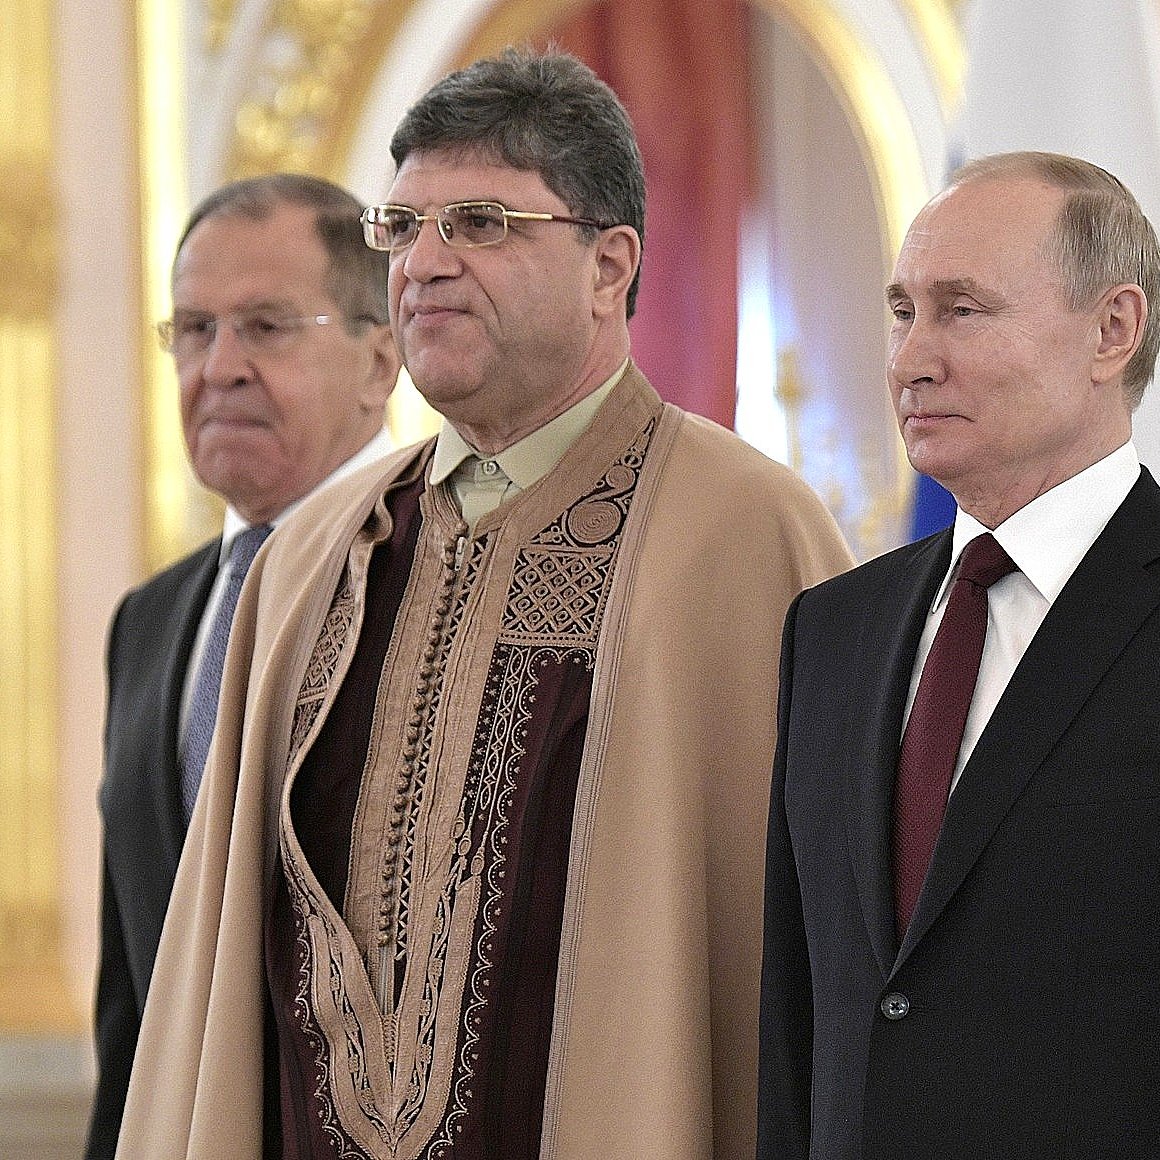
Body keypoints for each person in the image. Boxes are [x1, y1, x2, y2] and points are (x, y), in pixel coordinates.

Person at [113, 48, 851, 1160]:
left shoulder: (746, 534)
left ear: (610, 265)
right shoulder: (313, 553)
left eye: (481, 224)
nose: (424, 264)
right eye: (402, 227)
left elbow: (806, 964)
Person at [758, 150, 1160, 1160]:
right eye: (901, 311)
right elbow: (799, 1015)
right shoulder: (831, 630)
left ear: (1112, 329)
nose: (908, 358)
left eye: (961, 309)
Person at [86, 173, 400, 1160]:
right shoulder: (152, 620)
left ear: (379, 359)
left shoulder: (441, 582)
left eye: (265, 327)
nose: (217, 366)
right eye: (191, 328)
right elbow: (131, 1001)